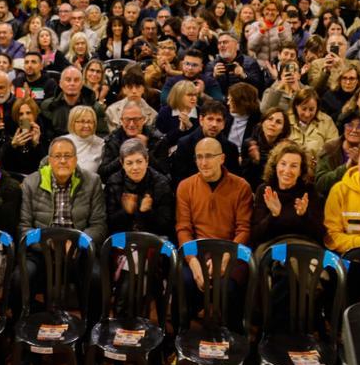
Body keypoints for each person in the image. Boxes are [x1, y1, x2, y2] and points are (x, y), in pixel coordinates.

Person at [175, 137, 253, 330]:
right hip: (198, 251)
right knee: (183, 281)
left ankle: (234, 339)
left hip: (230, 251)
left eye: (209, 156)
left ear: (222, 158)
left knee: (230, 288)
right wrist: (193, 262)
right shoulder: (185, 186)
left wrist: (226, 258)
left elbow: (243, 229)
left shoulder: (241, 186)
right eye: (199, 157)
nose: (203, 162)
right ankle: (179, 337)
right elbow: (183, 228)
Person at [250, 142, 325, 248]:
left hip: (302, 248)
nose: (287, 170)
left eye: (294, 166)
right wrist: (273, 215)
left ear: (300, 171)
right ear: (275, 166)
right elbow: (256, 236)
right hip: (271, 249)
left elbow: (319, 235)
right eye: (283, 164)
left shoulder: (309, 192)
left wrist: (304, 216)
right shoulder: (264, 190)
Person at [104, 138, 175, 238]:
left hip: (154, 237)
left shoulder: (161, 183)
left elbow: (167, 226)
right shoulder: (114, 182)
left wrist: (147, 212)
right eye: (129, 163)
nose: (135, 167)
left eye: (139, 161)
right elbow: (109, 224)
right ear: (122, 164)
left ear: (147, 161)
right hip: (123, 237)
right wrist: (126, 212)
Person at [287, 87, 338, 160]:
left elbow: (333, 149)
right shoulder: (286, 120)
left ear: (317, 108)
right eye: (303, 109)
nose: (307, 114)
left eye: (311, 109)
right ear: (296, 106)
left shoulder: (326, 121)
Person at [66, 104, 106, 175]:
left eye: (90, 122)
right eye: (82, 121)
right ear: (72, 123)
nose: (86, 126)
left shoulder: (101, 144)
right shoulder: (62, 142)